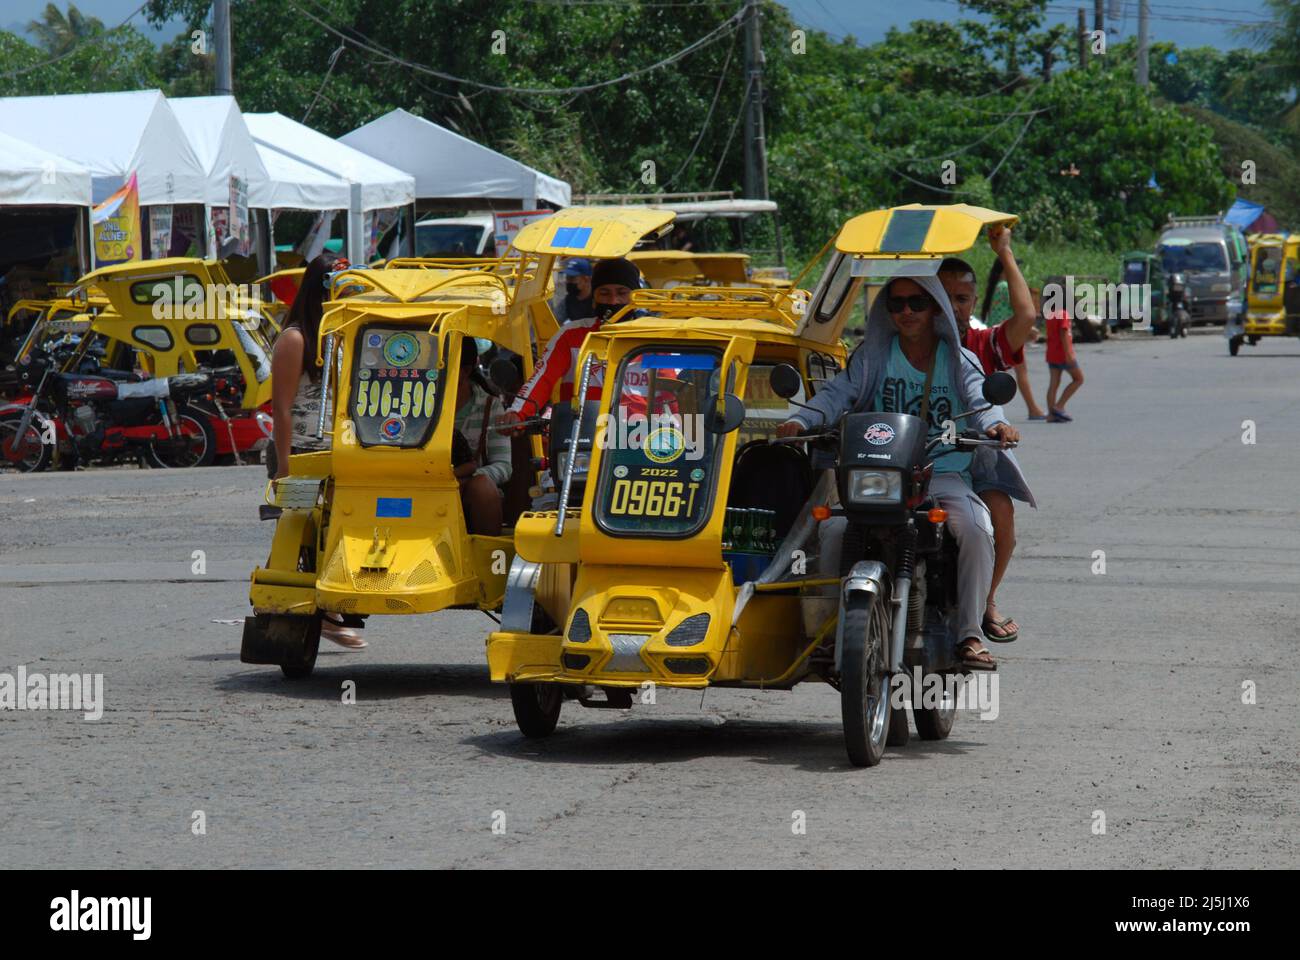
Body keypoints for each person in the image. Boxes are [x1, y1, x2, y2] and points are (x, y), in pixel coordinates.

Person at [776, 274, 1034, 671]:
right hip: (877, 473)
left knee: (975, 527)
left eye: (917, 303)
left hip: (942, 472)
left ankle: (969, 633)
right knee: (831, 532)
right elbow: (837, 393)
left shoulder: (959, 359)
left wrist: (994, 426)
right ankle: (828, 634)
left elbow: (981, 399)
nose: (907, 312)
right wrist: (802, 420)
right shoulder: (873, 356)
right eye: (896, 305)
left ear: (935, 308)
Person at [938, 226, 1036, 644]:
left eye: (961, 299)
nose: (952, 308)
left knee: (1002, 519)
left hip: (976, 456)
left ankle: (986, 600)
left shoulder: (980, 343)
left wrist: (1005, 251)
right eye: (943, 298)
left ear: (973, 303)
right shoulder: (903, 344)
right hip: (918, 457)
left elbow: (1027, 318)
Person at [268, 251, 366, 649]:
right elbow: (281, 408)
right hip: (303, 453)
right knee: (299, 529)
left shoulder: (342, 336)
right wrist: (285, 466)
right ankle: (313, 612)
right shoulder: (296, 339)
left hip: (340, 452)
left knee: (340, 525)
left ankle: (332, 605)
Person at [501, 257, 644, 425]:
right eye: (604, 293)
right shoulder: (571, 335)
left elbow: (673, 393)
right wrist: (518, 413)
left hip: (641, 442)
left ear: (636, 298)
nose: (613, 301)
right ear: (593, 299)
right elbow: (543, 378)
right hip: (580, 439)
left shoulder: (656, 336)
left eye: (622, 293)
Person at [452, 338, 512, 536]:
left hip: (468, 490)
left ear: (465, 370)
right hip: (424, 484)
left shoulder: (490, 406)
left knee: (483, 487)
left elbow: (504, 466)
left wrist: (465, 478)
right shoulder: (418, 403)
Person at [1043, 275, 1084, 422]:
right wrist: (1069, 354)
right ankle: (1059, 407)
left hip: (1051, 354)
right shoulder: (1063, 314)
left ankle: (1051, 414)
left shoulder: (1049, 314)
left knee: (1053, 383)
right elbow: (1064, 334)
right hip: (1063, 354)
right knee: (1078, 379)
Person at [557, 258, 593, 324]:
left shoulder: (597, 300)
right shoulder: (568, 300)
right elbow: (554, 321)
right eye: (567, 278)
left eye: (571, 278)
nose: (567, 282)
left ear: (586, 280)